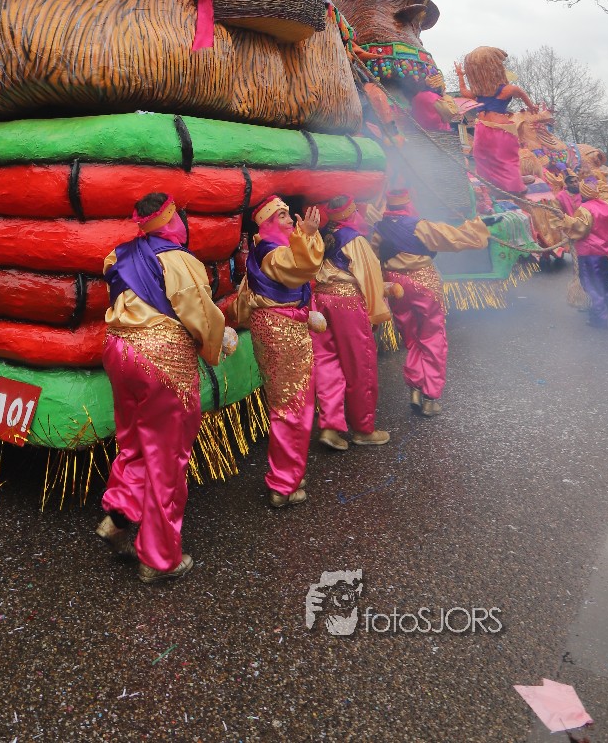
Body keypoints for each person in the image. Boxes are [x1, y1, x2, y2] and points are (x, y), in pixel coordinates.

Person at [97, 192, 232, 584]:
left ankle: (118, 516)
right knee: (168, 456)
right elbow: (203, 318)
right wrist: (218, 342)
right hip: (161, 360)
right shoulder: (181, 262)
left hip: (118, 350)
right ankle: (159, 557)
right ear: (173, 220)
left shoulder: (118, 254)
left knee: (134, 440)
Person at [234, 195, 324, 508]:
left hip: (277, 326)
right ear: (269, 223)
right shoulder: (272, 252)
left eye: (288, 215)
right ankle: (283, 483)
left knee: (289, 402)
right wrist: (307, 235)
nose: (289, 220)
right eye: (283, 216)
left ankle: (289, 472)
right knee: (293, 404)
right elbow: (301, 266)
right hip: (282, 330)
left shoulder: (266, 249)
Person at [373, 189, 490, 416]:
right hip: (423, 284)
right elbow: (454, 237)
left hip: (396, 287)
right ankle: (430, 397)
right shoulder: (420, 226)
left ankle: (415, 388)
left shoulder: (379, 229)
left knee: (412, 338)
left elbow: (373, 257)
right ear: (408, 204)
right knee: (432, 337)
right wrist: (479, 226)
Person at [312, 195, 394, 451]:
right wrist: (374, 313)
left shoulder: (323, 235)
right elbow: (370, 277)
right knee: (360, 364)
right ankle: (363, 429)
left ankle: (330, 426)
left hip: (320, 299)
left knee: (327, 363)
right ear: (351, 212)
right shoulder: (354, 239)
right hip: (347, 303)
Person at [456, 47, 537, 195]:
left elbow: (520, 92)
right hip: (490, 129)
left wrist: (531, 107)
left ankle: (514, 183)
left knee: (497, 158)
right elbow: (520, 92)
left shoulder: (499, 90)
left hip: (492, 130)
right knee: (491, 158)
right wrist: (460, 76)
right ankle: (503, 184)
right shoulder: (488, 91)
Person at [564, 175, 608, 329]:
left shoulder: (584, 209)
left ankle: (599, 319)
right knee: (607, 284)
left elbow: (580, 229)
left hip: (590, 254)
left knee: (593, 286)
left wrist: (565, 220)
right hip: (606, 253)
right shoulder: (605, 205)